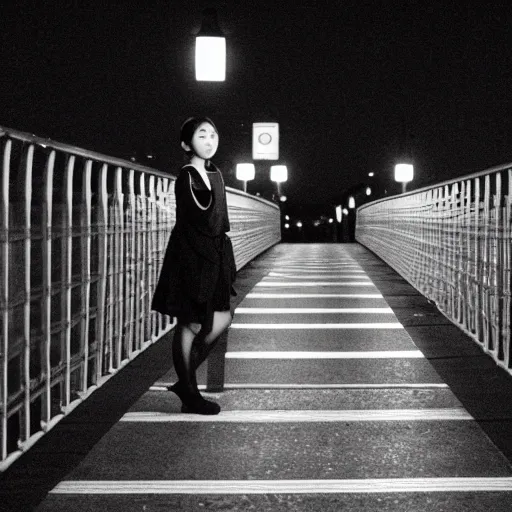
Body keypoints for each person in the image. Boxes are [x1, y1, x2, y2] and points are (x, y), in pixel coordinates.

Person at [151, 117, 237, 415]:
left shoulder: (214, 173)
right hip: (192, 253)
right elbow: (201, 217)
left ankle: (184, 382)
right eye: (202, 135)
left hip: (214, 252)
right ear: (187, 144)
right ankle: (189, 393)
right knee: (189, 321)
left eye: (214, 134)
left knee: (222, 318)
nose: (210, 140)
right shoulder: (187, 175)